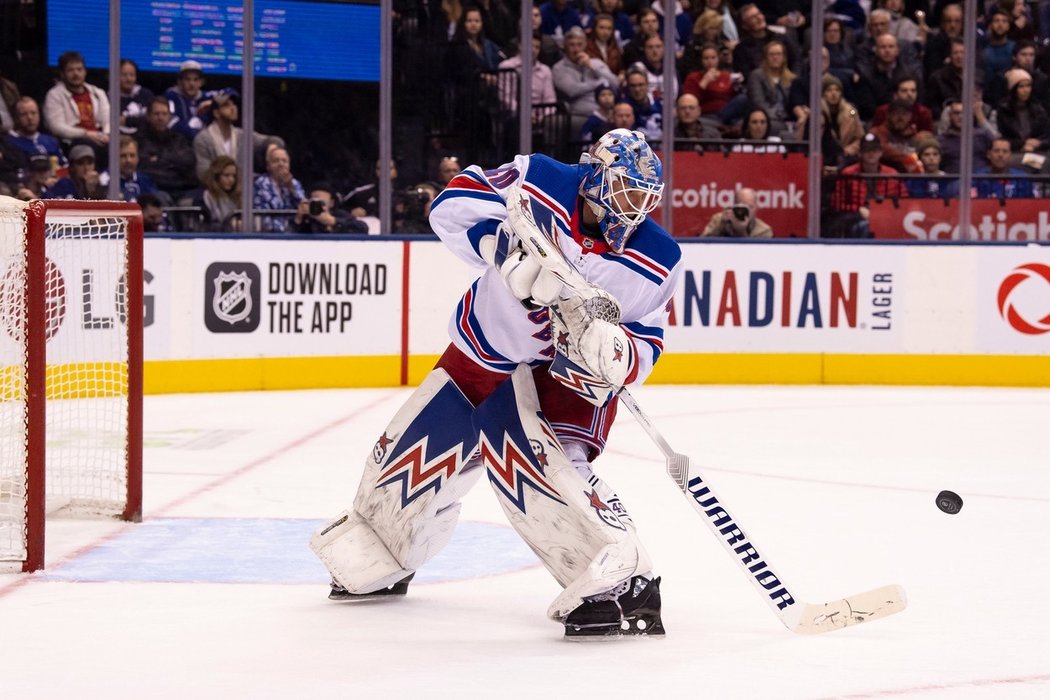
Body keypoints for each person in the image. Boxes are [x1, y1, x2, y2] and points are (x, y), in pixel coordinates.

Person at [309, 128, 681, 640]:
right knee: (413, 455)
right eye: (625, 193)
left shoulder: (659, 255)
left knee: (548, 473)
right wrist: (502, 247)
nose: (633, 210)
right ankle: (385, 546)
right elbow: (454, 201)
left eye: (643, 199)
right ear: (596, 176)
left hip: (564, 381)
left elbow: (648, 341)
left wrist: (619, 351)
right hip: (487, 348)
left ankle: (621, 581)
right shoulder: (542, 178)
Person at [825, 132, 907, 238]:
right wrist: (858, 210)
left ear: (881, 153)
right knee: (864, 226)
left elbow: (904, 200)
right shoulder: (848, 174)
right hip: (855, 217)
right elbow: (837, 202)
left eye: (874, 150)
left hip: (887, 216)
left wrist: (883, 212)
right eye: (867, 150)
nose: (871, 154)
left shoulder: (892, 174)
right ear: (860, 153)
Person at [193, 90, 284, 182]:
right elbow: (203, 174)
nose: (233, 108)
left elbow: (274, 140)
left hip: (242, 189)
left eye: (234, 104)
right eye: (226, 105)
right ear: (216, 113)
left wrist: (272, 148)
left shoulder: (242, 135)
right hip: (215, 191)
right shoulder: (204, 139)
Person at [42, 51, 111, 157]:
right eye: (70, 70)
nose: (76, 74)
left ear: (85, 72)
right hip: (73, 141)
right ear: (62, 74)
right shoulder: (54, 95)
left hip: (99, 137)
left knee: (122, 144)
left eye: (79, 69)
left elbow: (108, 119)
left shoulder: (98, 93)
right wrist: (85, 134)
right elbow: (56, 127)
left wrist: (106, 134)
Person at [552, 26, 619, 134]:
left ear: (585, 45)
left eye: (579, 44)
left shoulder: (596, 63)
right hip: (580, 114)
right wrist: (599, 83)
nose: (576, 49)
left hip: (606, 113)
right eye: (572, 45)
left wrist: (592, 67)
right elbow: (572, 90)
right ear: (565, 46)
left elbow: (615, 84)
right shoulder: (559, 68)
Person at [136, 97, 198, 203]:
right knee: (162, 198)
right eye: (156, 114)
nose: (161, 118)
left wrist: (160, 159)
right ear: (149, 116)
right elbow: (145, 169)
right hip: (155, 190)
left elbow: (189, 162)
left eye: (164, 114)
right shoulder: (139, 140)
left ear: (169, 116)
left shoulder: (179, 139)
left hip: (182, 189)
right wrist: (174, 162)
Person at [5, 97, 68, 170]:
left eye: (33, 113)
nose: (30, 118)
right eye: (23, 114)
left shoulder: (51, 141)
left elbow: (64, 167)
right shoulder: (8, 143)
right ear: (16, 118)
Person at [253, 145, 306, 232]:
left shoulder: (295, 183)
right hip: (270, 235)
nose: (281, 164)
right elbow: (263, 219)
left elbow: (304, 206)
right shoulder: (261, 184)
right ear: (268, 166)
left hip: (296, 232)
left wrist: (291, 188)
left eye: (284, 161)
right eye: (276, 161)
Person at [165, 60, 218, 139]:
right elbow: (171, 122)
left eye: (196, 80)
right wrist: (197, 134)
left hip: (204, 145)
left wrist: (212, 102)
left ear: (201, 82)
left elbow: (231, 93)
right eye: (187, 79)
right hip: (179, 143)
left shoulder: (207, 96)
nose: (192, 84)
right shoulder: (171, 96)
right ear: (179, 81)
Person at [99, 135, 158, 203]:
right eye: (123, 156)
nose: (128, 160)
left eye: (132, 155)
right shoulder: (105, 179)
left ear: (137, 158)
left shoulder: (145, 180)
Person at [295, 183, 368, 234]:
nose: (318, 205)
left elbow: (363, 228)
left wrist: (333, 221)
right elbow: (289, 238)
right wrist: (298, 219)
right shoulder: (307, 219)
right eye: (314, 201)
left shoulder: (339, 215)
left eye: (322, 202)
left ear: (331, 203)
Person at [192, 155, 241, 231]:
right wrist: (229, 226)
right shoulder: (203, 199)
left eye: (234, 176)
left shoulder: (237, 197)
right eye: (226, 175)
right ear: (216, 176)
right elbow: (203, 227)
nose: (231, 180)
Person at [700, 187, 774, 238]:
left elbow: (758, 256)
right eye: (743, 206)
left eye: (750, 207)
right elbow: (701, 245)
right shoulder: (718, 219)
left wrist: (741, 232)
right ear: (734, 205)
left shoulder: (764, 230)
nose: (746, 211)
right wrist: (721, 225)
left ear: (757, 208)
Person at [118, 59, 154, 136]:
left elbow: (153, 119)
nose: (129, 79)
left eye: (132, 75)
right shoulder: (109, 97)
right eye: (124, 75)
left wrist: (127, 121)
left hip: (146, 139)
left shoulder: (146, 95)